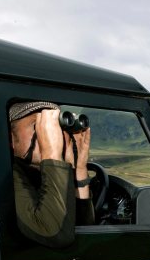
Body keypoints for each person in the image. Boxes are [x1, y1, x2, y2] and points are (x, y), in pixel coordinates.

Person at [8, 101, 94, 247]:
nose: (49, 133)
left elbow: (83, 232)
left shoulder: (42, 173)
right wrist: (51, 152)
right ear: (11, 138)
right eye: (38, 125)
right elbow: (56, 234)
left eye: (55, 127)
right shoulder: (6, 175)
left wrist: (78, 169)